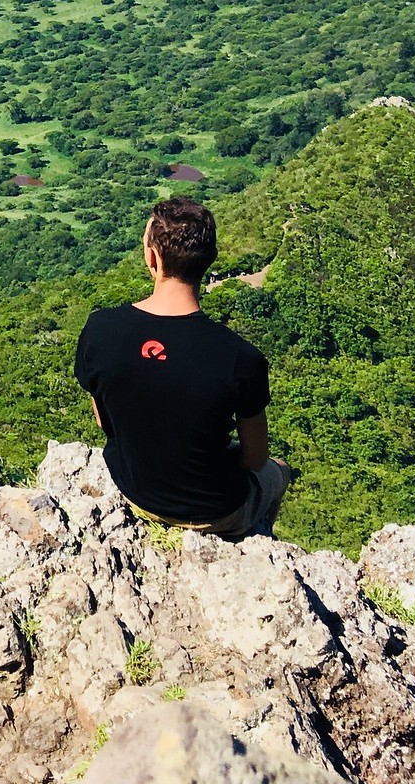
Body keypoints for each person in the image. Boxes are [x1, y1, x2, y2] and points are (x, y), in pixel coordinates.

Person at [73, 196, 289, 540]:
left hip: (135, 491)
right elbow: (254, 460)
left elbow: (104, 421)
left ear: (152, 257)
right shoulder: (241, 358)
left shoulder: (100, 330)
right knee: (279, 472)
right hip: (214, 511)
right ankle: (252, 539)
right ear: (209, 261)